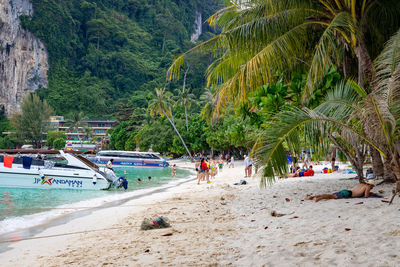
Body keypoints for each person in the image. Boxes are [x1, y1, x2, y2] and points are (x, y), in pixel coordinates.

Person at [305, 180, 376, 202]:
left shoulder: (362, 184)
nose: (372, 187)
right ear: (371, 185)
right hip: (348, 194)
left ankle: (312, 197)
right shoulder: (368, 187)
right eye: (373, 186)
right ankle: (319, 198)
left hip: (347, 191)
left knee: (330, 195)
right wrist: (371, 194)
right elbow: (366, 196)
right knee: (331, 196)